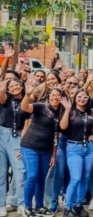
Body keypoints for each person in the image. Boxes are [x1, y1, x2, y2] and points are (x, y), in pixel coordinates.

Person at [20, 83, 66, 217]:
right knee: (32, 176)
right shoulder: (41, 106)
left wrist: (53, 155)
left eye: (58, 95)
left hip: (46, 150)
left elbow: (56, 137)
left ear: (62, 97)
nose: (55, 97)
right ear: (49, 96)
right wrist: (28, 94)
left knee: (41, 178)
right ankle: (28, 207)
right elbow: (24, 107)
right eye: (52, 95)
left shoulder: (61, 114)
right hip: (30, 146)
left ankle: (39, 206)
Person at [60, 88, 93, 217]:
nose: (82, 99)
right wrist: (67, 109)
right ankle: (68, 207)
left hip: (89, 148)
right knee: (76, 178)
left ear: (88, 99)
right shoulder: (70, 111)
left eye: (85, 97)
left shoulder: (92, 112)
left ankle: (78, 206)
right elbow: (63, 127)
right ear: (75, 98)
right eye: (79, 96)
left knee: (85, 177)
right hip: (74, 147)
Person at [0, 77, 27, 216]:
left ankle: (21, 203)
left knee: (20, 171)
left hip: (18, 137)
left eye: (17, 85)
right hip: (2, 134)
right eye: (11, 86)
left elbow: (29, 121)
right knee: (1, 173)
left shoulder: (27, 100)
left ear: (21, 86)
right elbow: (1, 95)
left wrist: (24, 141)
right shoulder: (6, 100)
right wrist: (3, 85)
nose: (15, 87)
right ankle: (1, 205)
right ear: (8, 90)